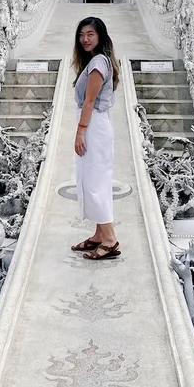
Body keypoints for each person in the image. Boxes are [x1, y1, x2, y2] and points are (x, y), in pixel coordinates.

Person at [70, 17, 121, 260]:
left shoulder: (99, 62)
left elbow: (90, 101)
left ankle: (110, 238)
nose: (85, 39)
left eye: (90, 34)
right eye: (82, 35)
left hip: (94, 126)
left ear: (100, 36)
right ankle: (100, 234)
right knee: (92, 179)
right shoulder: (95, 62)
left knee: (94, 183)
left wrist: (81, 130)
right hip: (94, 124)